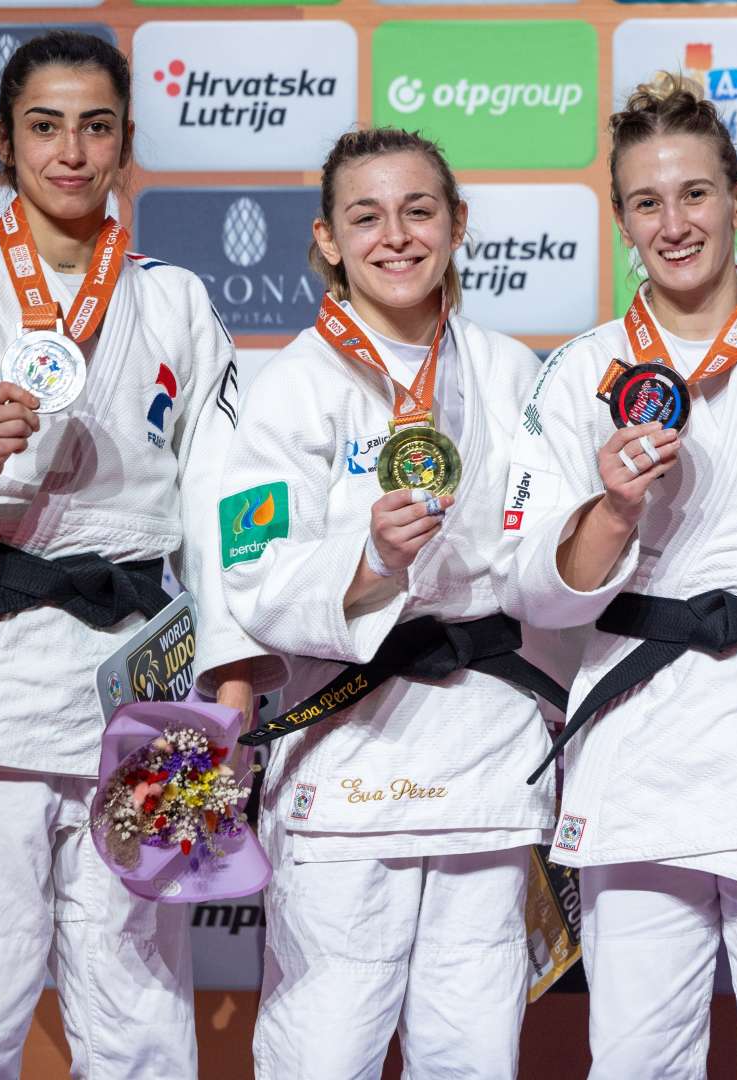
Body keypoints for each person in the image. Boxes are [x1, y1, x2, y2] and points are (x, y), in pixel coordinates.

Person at [0, 30, 267, 1078]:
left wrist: (236, 678)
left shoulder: (178, 302)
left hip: (149, 694)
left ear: (124, 145)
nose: (70, 150)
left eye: (96, 126)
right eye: (44, 125)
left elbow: (233, 508)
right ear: (3, 140)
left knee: (142, 1014)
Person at [502, 73, 737, 1078]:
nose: (675, 223)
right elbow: (535, 585)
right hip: (641, 750)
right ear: (621, 218)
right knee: (636, 1061)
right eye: (647, 202)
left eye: (696, 194)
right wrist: (615, 508)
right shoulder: (584, 371)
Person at [217, 127, 560, 1080]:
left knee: (474, 1045)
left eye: (419, 211)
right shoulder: (290, 386)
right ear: (328, 239)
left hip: (488, 750)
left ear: (458, 226)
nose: (396, 237)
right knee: (323, 1047)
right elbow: (253, 573)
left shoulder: (514, 374)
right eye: (365, 217)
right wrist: (367, 559)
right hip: (347, 753)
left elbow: (548, 558)